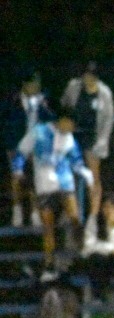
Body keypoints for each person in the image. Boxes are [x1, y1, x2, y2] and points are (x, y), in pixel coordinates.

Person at [12, 105, 94, 282]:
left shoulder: (69, 138)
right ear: (63, 120)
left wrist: (84, 171)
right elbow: (21, 152)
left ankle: (80, 251)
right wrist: (18, 169)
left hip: (65, 182)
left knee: (74, 217)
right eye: (71, 124)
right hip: (44, 185)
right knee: (48, 227)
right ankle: (49, 266)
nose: (72, 129)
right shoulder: (38, 132)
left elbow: (76, 159)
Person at [61, 61, 114, 219]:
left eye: (91, 75)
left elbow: (108, 119)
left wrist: (101, 143)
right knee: (68, 176)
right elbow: (64, 106)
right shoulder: (73, 86)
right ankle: (70, 213)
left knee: (93, 177)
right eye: (86, 75)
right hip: (73, 137)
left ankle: (93, 216)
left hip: (93, 138)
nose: (88, 78)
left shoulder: (104, 93)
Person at [2, 67, 53, 227]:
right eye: (33, 84)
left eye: (38, 83)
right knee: (17, 177)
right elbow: (6, 119)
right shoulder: (13, 99)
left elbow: (51, 118)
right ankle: (17, 211)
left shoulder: (44, 99)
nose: (36, 87)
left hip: (36, 144)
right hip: (17, 144)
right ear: (25, 84)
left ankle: (34, 212)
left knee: (35, 178)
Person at [71, 194, 114, 300]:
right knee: (97, 259)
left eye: (111, 207)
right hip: (95, 258)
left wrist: (112, 227)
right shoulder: (94, 220)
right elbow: (89, 245)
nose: (108, 210)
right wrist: (110, 248)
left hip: (113, 258)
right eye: (105, 207)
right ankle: (98, 296)